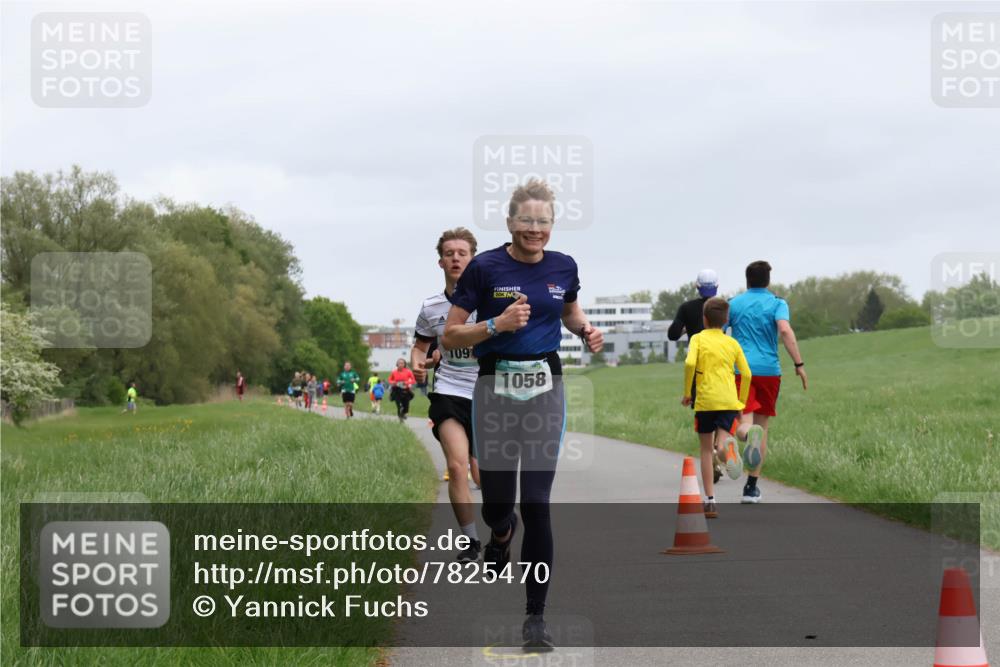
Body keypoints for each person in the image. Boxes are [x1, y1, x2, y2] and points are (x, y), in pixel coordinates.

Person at [443, 179, 603, 652]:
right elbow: (450, 336)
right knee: (497, 503)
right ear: (510, 222)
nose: (536, 229)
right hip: (493, 390)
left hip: (545, 391)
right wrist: (496, 324)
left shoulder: (564, 266)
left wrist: (587, 331)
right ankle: (499, 529)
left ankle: (535, 618)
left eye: (544, 221)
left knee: (537, 503)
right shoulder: (485, 267)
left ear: (552, 225)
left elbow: (570, 313)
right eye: (527, 221)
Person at [412, 226, 483, 562]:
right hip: (449, 390)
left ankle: (500, 526)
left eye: (462, 253)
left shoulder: (490, 300)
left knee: (484, 475)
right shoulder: (431, 307)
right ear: (440, 261)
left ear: (473, 259)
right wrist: (418, 364)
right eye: (449, 253)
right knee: (457, 467)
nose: (455, 258)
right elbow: (420, 346)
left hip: (488, 391)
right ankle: (470, 541)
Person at [728, 260, 808, 504]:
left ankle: (740, 437)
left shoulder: (734, 304)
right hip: (769, 372)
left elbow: (717, 333)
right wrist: (799, 364)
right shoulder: (777, 303)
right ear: (768, 281)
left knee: (744, 422)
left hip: (741, 370)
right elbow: (784, 331)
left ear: (747, 280)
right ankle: (751, 489)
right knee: (762, 428)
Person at [681, 297, 763, 518]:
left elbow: (689, 363)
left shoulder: (697, 339)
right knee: (722, 441)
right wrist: (741, 402)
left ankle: (709, 502)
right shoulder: (732, 343)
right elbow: (746, 373)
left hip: (706, 400)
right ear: (726, 320)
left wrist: (688, 392)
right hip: (728, 399)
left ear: (704, 319)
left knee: (707, 450)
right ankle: (731, 453)